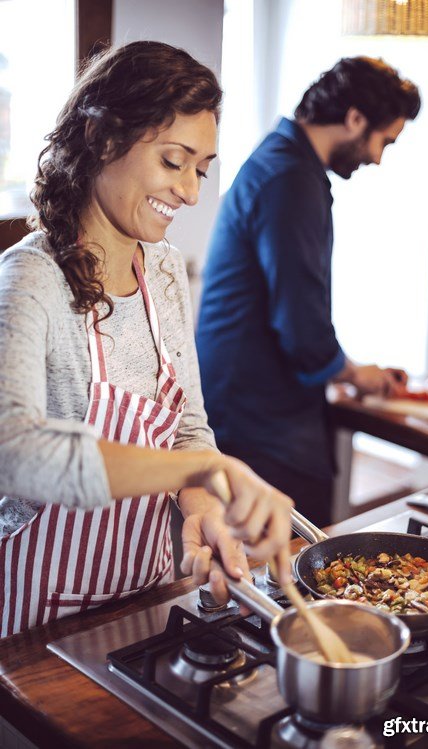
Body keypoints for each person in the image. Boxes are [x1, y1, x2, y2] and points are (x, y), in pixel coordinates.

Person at [0, 41, 293, 638]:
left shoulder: (161, 268)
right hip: (34, 621)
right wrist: (210, 470)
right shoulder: (28, 279)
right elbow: (16, 454)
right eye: (173, 160)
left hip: (143, 592)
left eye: (202, 169)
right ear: (102, 138)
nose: (190, 191)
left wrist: (200, 503)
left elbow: (186, 422)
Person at [197, 56, 421, 527]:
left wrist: (347, 369)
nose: (378, 156)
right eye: (385, 140)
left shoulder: (282, 159)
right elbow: (300, 321)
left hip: (241, 397)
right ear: (355, 119)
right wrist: (356, 373)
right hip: (259, 411)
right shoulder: (291, 177)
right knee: (292, 556)